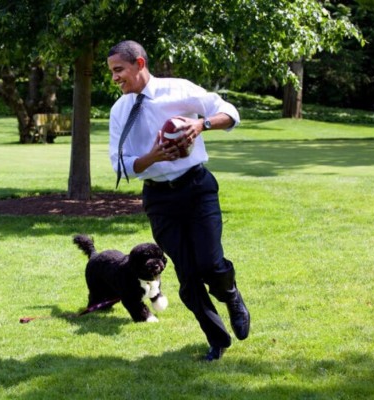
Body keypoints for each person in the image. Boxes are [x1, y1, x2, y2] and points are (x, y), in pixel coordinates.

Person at [107, 40, 250, 361]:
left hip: (197, 188)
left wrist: (201, 124)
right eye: (112, 72)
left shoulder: (178, 90)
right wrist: (152, 156)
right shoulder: (119, 111)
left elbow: (230, 112)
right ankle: (217, 340)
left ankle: (231, 295)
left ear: (139, 64)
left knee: (211, 265)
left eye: (119, 70)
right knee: (187, 277)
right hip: (159, 199)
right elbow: (120, 164)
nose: (115, 78)